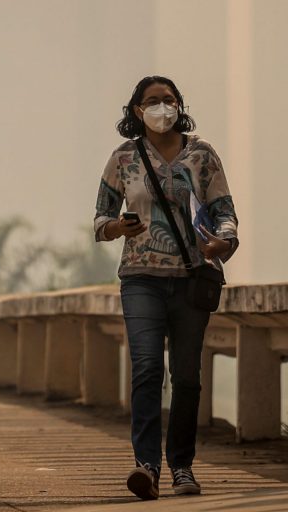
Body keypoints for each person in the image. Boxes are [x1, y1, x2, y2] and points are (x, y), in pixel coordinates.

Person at [93, 76, 238, 500]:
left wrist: (221, 241)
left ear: (180, 105)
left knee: (188, 377)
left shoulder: (202, 155)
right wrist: (119, 226)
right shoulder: (123, 158)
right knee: (147, 370)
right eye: (152, 101)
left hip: (191, 280)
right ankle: (147, 466)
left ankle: (182, 467)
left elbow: (225, 212)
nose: (162, 107)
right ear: (137, 111)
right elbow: (100, 219)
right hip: (140, 277)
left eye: (168, 100)